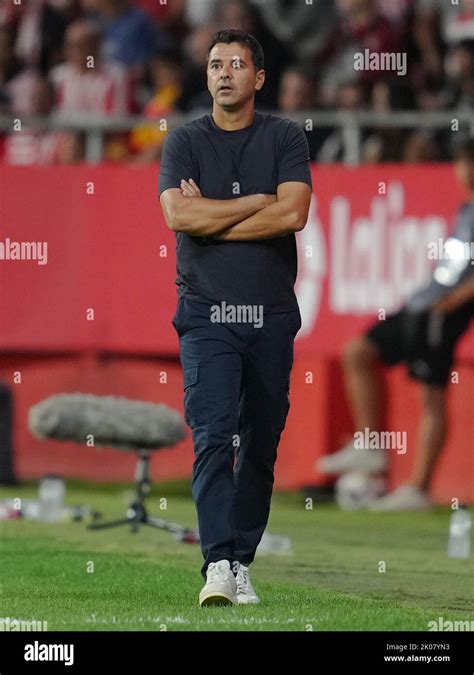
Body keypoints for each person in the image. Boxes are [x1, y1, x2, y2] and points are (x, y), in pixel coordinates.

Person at [159, 29, 312, 605]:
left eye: (237, 64)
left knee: (263, 440)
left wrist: (212, 215)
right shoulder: (185, 140)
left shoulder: (284, 136)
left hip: (271, 315)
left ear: (259, 78)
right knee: (213, 434)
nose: (224, 73)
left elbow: (293, 213)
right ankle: (218, 562)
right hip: (205, 314)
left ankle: (241, 558)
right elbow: (178, 215)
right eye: (216, 64)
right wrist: (256, 202)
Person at [318, 139, 474, 510]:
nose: (463, 169)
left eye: (468, 162)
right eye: (463, 161)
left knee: (431, 394)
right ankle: (370, 445)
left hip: (443, 311)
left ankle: (418, 488)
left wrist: (455, 299)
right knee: (358, 352)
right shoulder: (466, 209)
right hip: (420, 305)